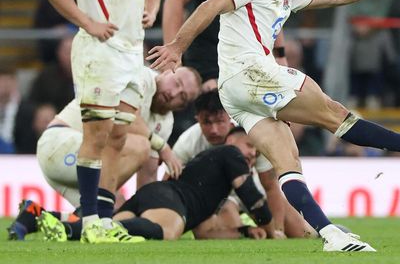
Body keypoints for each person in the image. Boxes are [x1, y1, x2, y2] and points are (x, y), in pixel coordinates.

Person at [147, 0, 400, 252]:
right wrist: (176, 46)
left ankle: (331, 235)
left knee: (288, 161)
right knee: (333, 113)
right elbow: (210, 5)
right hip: (249, 73)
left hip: (237, 94)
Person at [39, 0, 161, 243]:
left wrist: (152, 9)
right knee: (96, 135)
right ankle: (90, 220)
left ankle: (104, 222)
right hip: (99, 52)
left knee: (120, 137)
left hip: (132, 54)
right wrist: (87, 22)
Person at [6, 66, 202, 241]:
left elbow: (148, 177)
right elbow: (124, 117)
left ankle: (33, 216)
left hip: (82, 163)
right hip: (60, 142)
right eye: (176, 83)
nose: (173, 93)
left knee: (114, 211)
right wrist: (162, 146)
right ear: (166, 72)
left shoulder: (166, 122)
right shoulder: (141, 77)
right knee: (139, 146)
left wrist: (146, 216)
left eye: (182, 97)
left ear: (181, 107)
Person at [37, 127, 279, 241]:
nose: (252, 154)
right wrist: (271, 231)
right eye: (250, 146)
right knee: (167, 231)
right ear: (232, 140)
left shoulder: (214, 176)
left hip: (154, 196)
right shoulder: (231, 153)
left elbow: (205, 234)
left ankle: (47, 221)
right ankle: (65, 227)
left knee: (107, 229)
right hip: (170, 200)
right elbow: (251, 196)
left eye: (257, 152)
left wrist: (245, 232)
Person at [172, 90, 314, 239]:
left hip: (253, 190)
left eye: (219, 121)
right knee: (231, 227)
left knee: (303, 233)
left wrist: (277, 229)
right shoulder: (188, 142)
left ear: (229, 117)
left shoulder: (251, 136)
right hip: (219, 199)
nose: (214, 130)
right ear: (197, 119)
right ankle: (246, 228)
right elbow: (171, 181)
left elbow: (270, 187)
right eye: (207, 122)